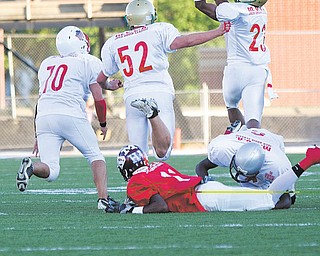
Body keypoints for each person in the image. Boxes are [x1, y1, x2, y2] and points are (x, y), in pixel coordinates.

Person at [97, 0, 231, 160]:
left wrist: (109, 85)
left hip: (132, 96)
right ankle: (153, 114)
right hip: (159, 92)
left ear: (129, 19)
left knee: (138, 156)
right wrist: (217, 31)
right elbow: (185, 41)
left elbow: (100, 80)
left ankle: (140, 182)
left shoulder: (114, 41)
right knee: (163, 153)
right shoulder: (160, 29)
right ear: (151, 16)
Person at [15, 26, 121, 211]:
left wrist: (37, 136)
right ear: (79, 43)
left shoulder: (48, 63)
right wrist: (103, 123)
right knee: (95, 156)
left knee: (51, 170)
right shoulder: (88, 61)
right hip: (69, 114)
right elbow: (98, 97)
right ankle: (103, 200)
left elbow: (41, 101)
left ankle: (31, 167)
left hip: (44, 117)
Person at [105, 144, 320, 213]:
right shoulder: (157, 166)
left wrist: (131, 209)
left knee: (269, 199)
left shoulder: (135, 181)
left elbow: (159, 206)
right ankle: (307, 163)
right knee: (268, 198)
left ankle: (309, 160)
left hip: (207, 200)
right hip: (208, 190)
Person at [194, 0, 274, 129]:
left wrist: (199, 3)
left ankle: (240, 137)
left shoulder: (235, 10)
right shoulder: (262, 11)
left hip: (237, 68)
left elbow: (207, 6)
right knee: (253, 120)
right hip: (258, 70)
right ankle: (253, 144)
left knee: (232, 106)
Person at [196, 124, 293, 190]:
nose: (240, 176)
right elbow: (201, 166)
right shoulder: (223, 150)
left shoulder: (279, 167)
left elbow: (286, 201)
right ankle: (238, 130)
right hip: (243, 138)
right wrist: (205, 182)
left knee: (289, 195)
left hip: (272, 142)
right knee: (249, 189)